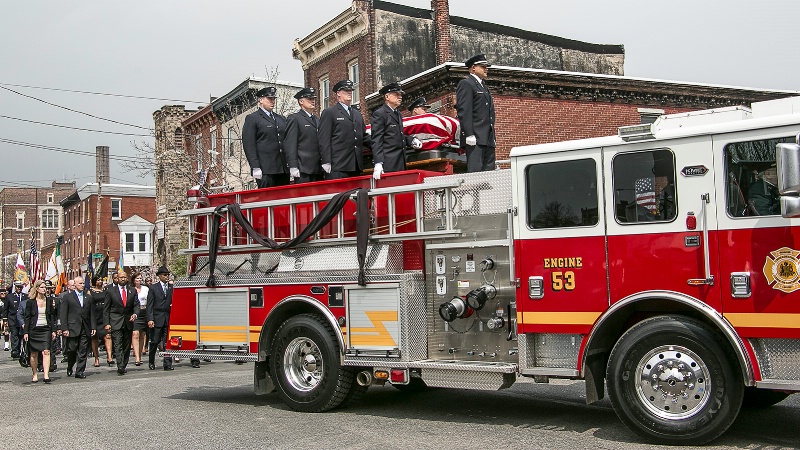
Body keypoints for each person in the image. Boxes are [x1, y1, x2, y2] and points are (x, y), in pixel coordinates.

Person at [318, 80, 370, 180]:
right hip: (338, 165)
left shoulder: (357, 114)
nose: (349, 92)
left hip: (355, 165)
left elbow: (363, 136)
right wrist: (326, 161)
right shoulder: (330, 112)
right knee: (338, 195)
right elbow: (324, 139)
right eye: (346, 90)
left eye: (350, 90)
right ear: (338, 93)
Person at [370, 82, 422, 179]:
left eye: (401, 94)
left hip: (400, 162)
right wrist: (378, 163)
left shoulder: (397, 114)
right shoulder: (380, 114)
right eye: (396, 94)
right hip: (388, 163)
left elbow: (396, 134)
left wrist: (410, 140)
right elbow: (377, 140)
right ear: (387, 96)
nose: (400, 97)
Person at [242, 86, 289, 188]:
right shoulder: (253, 118)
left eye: (273, 99)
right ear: (261, 100)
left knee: (284, 200)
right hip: (266, 169)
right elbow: (249, 144)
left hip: (283, 168)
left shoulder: (281, 119)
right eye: (269, 99)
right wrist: (255, 167)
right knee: (268, 200)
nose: (272, 102)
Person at [456, 54, 496, 172]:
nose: (486, 69)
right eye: (483, 66)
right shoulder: (466, 84)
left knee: (489, 171)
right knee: (476, 173)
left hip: (487, 137)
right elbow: (464, 110)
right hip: (476, 136)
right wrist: (469, 133)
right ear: (473, 68)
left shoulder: (483, 86)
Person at [284, 87, 324, 183]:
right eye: (309, 99)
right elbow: (290, 143)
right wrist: (293, 166)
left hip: (318, 167)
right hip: (303, 168)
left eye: (313, 99)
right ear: (301, 101)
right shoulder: (294, 118)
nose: (313, 101)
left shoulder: (317, 120)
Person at [103, 271, 139, 375]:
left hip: (128, 321)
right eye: (120, 277)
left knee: (127, 345)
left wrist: (135, 314)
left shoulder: (132, 290)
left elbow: (136, 305)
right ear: (117, 279)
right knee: (118, 344)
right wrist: (107, 323)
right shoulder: (110, 291)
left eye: (124, 277)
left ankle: (124, 363)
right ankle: (120, 365)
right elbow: (106, 309)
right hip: (115, 321)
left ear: (127, 278)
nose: (123, 279)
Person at [60, 276, 95, 379]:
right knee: (72, 349)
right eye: (80, 283)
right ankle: (70, 365)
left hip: (85, 327)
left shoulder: (88, 297)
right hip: (72, 327)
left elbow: (92, 313)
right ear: (74, 285)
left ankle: (79, 371)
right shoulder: (68, 297)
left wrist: (93, 327)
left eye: (83, 283)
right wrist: (64, 328)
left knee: (83, 350)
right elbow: (63, 314)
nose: (82, 285)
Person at [23, 280, 55, 383]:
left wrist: (53, 330)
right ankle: (35, 373)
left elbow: (52, 316)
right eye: (42, 287)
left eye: (45, 287)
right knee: (33, 354)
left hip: (45, 329)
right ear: (37, 289)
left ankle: (46, 375)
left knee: (46, 351)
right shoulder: (30, 302)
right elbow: (27, 318)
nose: (44, 289)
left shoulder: (49, 301)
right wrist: (26, 332)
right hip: (34, 330)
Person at [147, 266, 174, 371]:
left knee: (168, 341)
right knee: (155, 341)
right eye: (164, 275)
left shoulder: (171, 288)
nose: (166, 277)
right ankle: (151, 361)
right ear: (159, 276)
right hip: (157, 318)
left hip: (167, 318)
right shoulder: (153, 288)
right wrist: (150, 319)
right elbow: (150, 305)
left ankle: (167, 363)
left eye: (167, 275)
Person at [89, 276, 113, 367]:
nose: (100, 282)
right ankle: (96, 358)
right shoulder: (90, 291)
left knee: (107, 335)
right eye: (98, 280)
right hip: (95, 315)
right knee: (95, 338)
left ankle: (109, 357)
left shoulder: (106, 290)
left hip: (104, 315)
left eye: (101, 280)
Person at [131, 272, 149, 366]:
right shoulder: (131, 289)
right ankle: (137, 357)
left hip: (144, 311)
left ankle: (140, 355)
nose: (139, 280)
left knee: (142, 334)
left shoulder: (145, 289)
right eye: (137, 278)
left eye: (140, 279)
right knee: (135, 334)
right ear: (134, 280)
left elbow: (149, 301)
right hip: (134, 312)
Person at [6, 282, 26, 358]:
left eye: (20, 287)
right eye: (18, 287)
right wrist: (5, 320)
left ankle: (21, 349)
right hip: (12, 319)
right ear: (15, 287)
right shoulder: (10, 297)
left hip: (21, 319)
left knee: (21, 335)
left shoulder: (25, 296)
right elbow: (6, 309)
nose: (19, 289)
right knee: (14, 334)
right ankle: (15, 350)